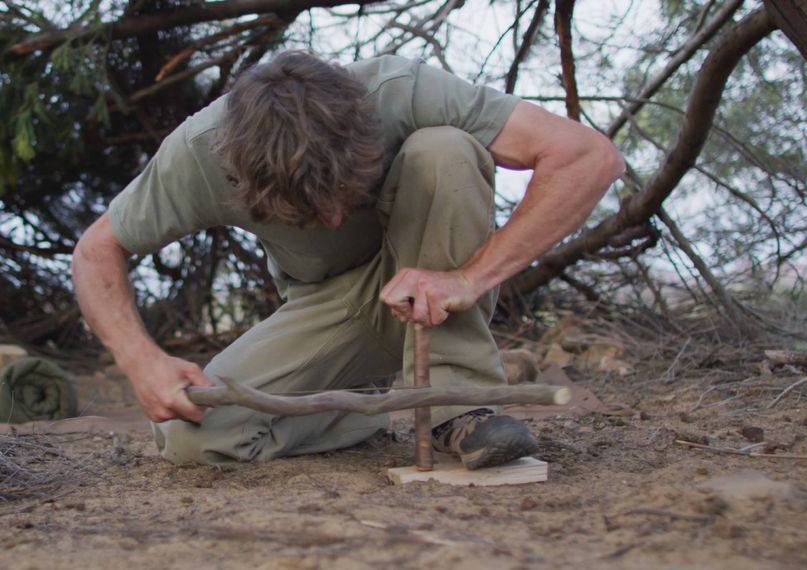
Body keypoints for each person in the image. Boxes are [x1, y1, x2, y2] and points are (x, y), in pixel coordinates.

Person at [72, 51, 624, 468]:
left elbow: (586, 156)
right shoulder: (199, 153)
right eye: (309, 208)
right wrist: (141, 360)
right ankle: (359, 406)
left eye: (348, 190)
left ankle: (463, 408)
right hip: (333, 311)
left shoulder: (398, 90)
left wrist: (470, 276)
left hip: (434, 284)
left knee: (445, 149)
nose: (335, 218)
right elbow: (97, 251)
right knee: (194, 437)